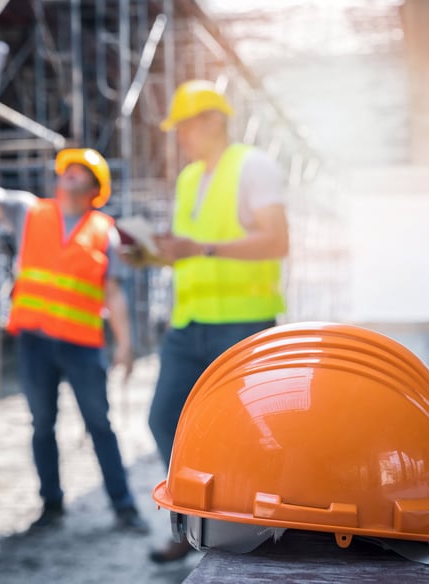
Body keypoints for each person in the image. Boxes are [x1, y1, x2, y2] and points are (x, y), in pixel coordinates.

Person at [0, 117, 149, 534]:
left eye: (79, 171)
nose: (69, 175)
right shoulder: (29, 212)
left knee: (99, 425)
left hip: (83, 346)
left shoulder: (106, 232)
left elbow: (113, 292)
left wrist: (124, 344)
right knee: (42, 425)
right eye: (67, 170)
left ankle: (124, 507)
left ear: (95, 188)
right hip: (35, 343)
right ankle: (52, 505)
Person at [146, 80, 289, 563]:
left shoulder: (253, 167)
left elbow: (277, 241)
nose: (180, 136)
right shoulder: (189, 179)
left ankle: (251, 527)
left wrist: (202, 248)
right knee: (165, 419)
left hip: (242, 326)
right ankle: (190, 524)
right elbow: (190, 250)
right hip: (189, 324)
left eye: (185, 125)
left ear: (212, 121)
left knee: (248, 434)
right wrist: (153, 254)